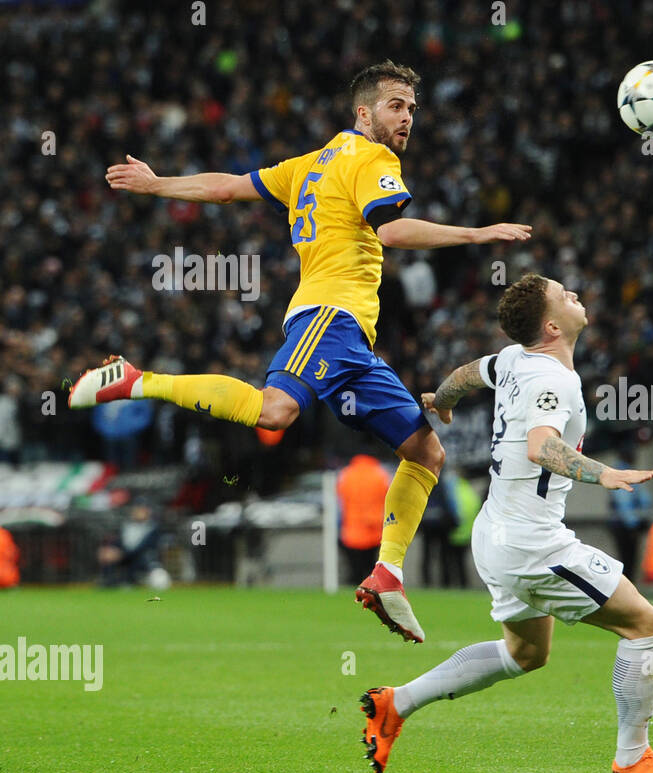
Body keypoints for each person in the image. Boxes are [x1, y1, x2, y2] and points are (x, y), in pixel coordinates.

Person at [74, 60, 533, 644]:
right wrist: (477, 233)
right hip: (329, 316)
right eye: (396, 105)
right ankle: (138, 380)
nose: (407, 118)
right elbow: (390, 232)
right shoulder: (372, 159)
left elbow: (227, 188)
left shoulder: (308, 165)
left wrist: (158, 182)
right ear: (363, 113)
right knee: (275, 411)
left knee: (426, 450)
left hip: (353, 339)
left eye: (413, 108)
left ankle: (387, 575)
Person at [359, 274, 653, 773]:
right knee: (646, 624)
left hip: (495, 532)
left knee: (525, 652)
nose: (577, 295)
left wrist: (444, 402)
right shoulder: (553, 380)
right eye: (565, 295)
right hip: (532, 543)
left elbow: (468, 373)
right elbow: (540, 446)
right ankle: (633, 756)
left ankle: (395, 703)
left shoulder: (515, 359)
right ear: (551, 325)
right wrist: (604, 473)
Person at [337, 454, 391, 586]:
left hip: (352, 529)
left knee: (355, 570)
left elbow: (341, 498)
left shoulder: (346, 474)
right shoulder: (380, 474)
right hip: (375, 530)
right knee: (372, 570)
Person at [607, 448, 653, 579]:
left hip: (626, 523)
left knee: (628, 560)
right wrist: (633, 524)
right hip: (624, 525)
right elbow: (624, 502)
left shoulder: (624, 471)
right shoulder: (622, 473)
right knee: (627, 560)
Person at [98, 503, 162, 587]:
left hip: (141, 557)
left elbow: (144, 547)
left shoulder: (152, 527)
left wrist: (121, 554)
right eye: (136, 509)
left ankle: (129, 581)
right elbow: (119, 542)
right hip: (125, 555)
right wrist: (110, 549)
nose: (137, 512)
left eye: (140, 510)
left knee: (139, 559)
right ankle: (109, 581)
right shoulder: (127, 525)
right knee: (108, 554)